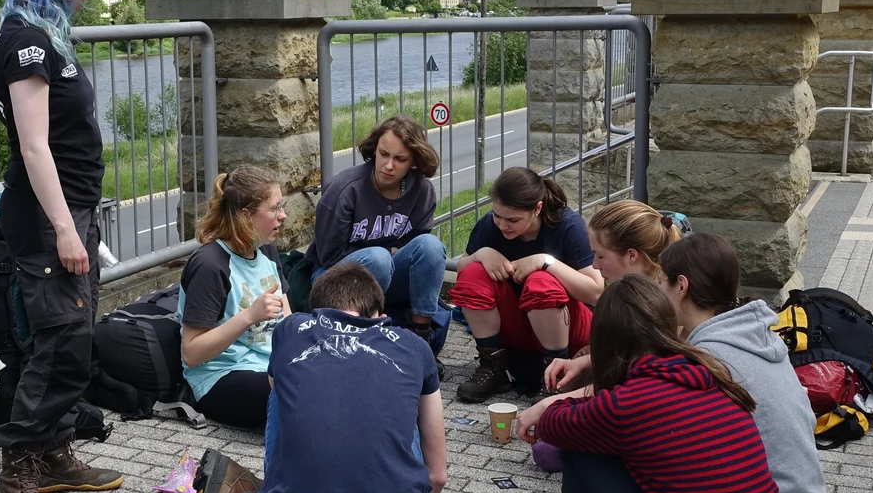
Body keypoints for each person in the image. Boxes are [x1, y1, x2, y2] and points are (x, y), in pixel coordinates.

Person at [517, 275, 781, 493]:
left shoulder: (628, 403)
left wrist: (548, 405)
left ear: (605, 341)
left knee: (580, 449)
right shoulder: (707, 372)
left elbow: (556, 426)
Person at [0, 0, 122, 493]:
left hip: (71, 208)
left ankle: (55, 451)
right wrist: (66, 229)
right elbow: (34, 147)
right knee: (60, 339)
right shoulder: (27, 44)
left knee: (74, 334)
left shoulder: (45, 37)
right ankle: (18, 473)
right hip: (50, 217)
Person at [251, 262, 448, 493]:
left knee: (279, 391)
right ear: (379, 315)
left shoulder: (289, 331)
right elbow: (438, 476)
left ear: (317, 311)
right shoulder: (414, 346)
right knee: (401, 402)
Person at [659, 233, 825, 493]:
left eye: (661, 282)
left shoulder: (710, 358)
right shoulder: (753, 333)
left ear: (681, 286)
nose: (659, 291)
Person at [452, 168, 604, 403]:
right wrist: (480, 254)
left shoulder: (568, 226)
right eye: (497, 216)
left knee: (540, 281)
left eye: (513, 220)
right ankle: (493, 365)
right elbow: (463, 269)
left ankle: (556, 375)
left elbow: (595, 291)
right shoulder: (491, 225)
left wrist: (546, 262)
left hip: (568, 327)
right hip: (518, 324)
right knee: (473, 271)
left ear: (538, 209)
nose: (503, 226)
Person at [308, 115, 448, 349]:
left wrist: (389, 254)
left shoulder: (422, 192)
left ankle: (422, 338)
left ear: (414, 160)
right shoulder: (344, 188)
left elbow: (415, 247)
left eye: (400, 159)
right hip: (335, 281)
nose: (389, 165)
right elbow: (329, 256)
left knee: (432, 246)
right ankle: (365, 338)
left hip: (389, 274)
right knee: (378, 258)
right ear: (374, 150)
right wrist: (385, 251)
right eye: (384, 154)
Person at [178, 167, 289, 429]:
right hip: (220, 377)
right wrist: (250, 315)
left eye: (282, 206)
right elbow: (191, 353)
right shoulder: (210, 264)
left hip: (269, 365)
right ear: (246, 215)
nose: (282, 215)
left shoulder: (266, 250)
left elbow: (288, 320)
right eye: (274, 208)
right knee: (297, 391)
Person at [539, 199, 689, 394]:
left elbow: (637, 381)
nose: (594, 265)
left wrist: (554, 403)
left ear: (631, 255)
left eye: (600, 256)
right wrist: (584, 362)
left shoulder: (658, 305)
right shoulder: (642, 294)